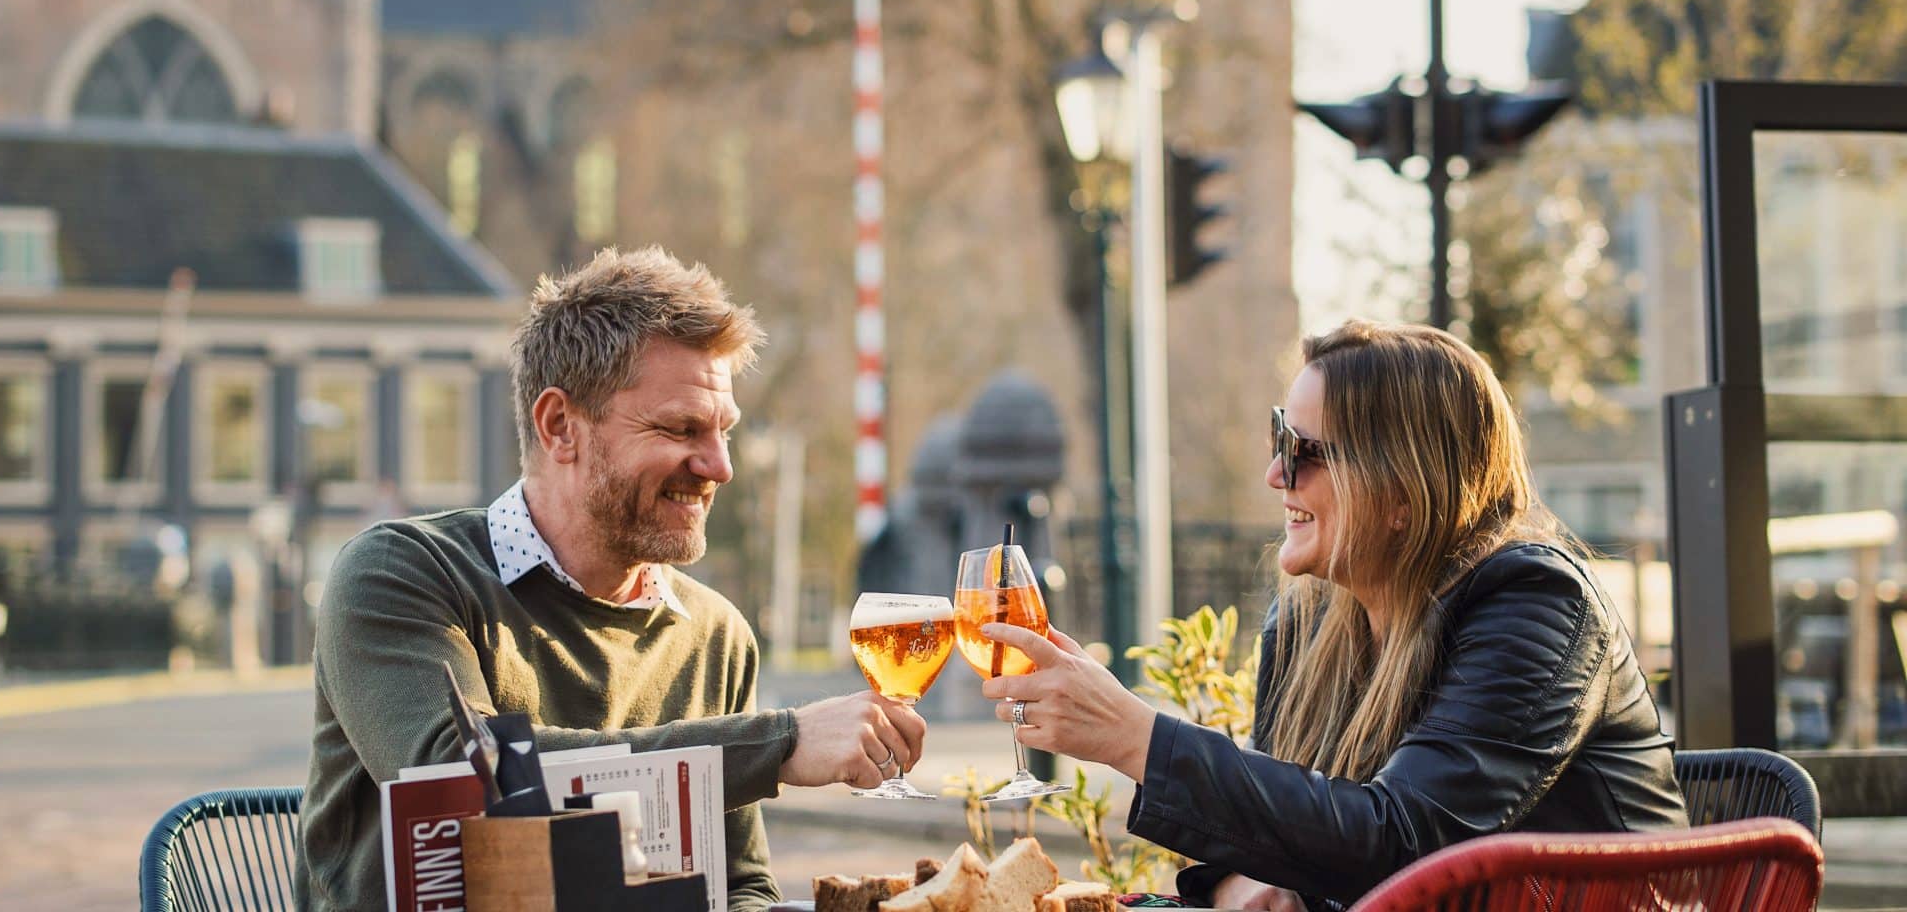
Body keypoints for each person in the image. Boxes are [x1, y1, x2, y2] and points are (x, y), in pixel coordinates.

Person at [979, 320, 1687, 911]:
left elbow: (1405, 839)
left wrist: (1137, 738)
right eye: (1278, 438)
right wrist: (1248, 880)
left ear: (1403, 488)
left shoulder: (1533, 604)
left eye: (1303, 451)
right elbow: (1283, 830)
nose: (1275, 476)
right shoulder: (1309, 625)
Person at [298, 247, 926, 911]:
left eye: (724, 432)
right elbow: (459, 777)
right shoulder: (402, 574)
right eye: (683, 428)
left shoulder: (715, 635)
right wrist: (780, 745)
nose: (719, 467)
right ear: (560, 426)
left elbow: (740, 885)